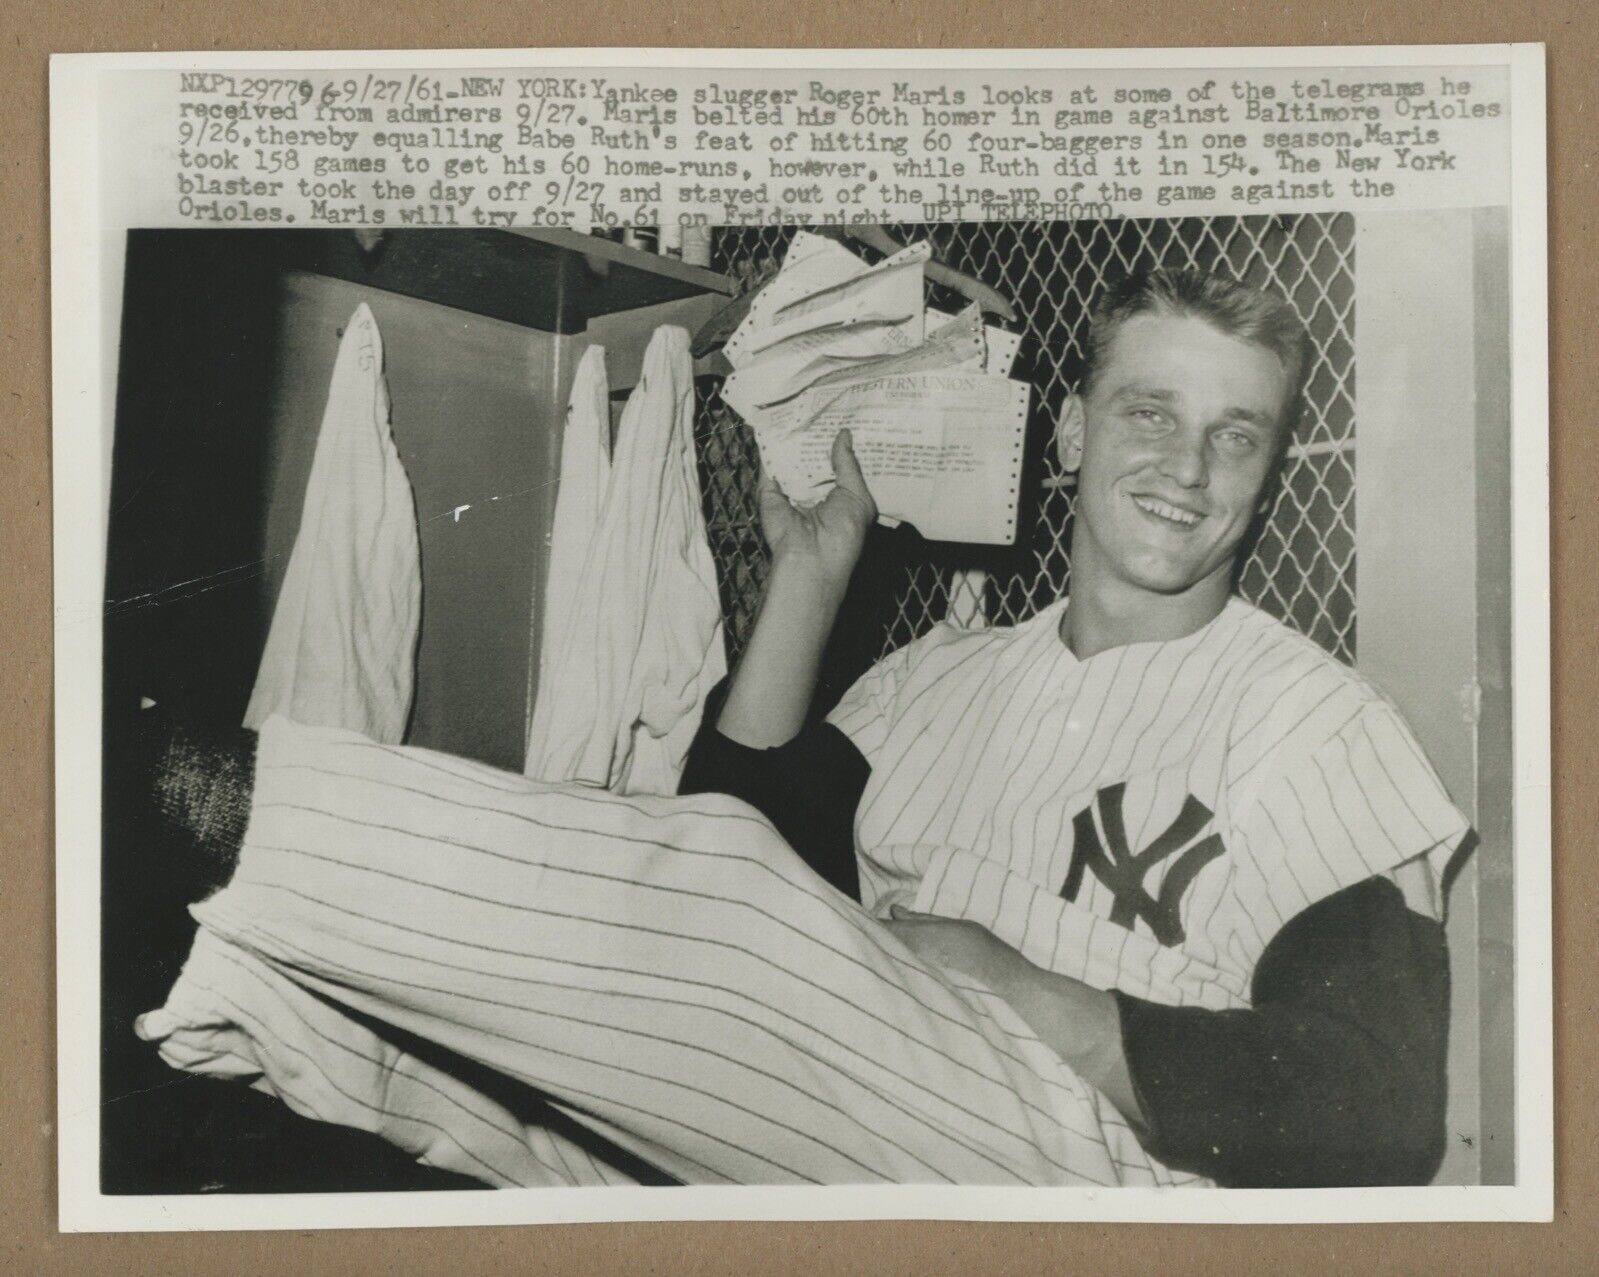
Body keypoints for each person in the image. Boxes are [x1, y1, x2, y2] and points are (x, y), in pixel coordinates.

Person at [135, 266, 1468, 1190]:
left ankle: (168, 794)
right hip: (860, 1133)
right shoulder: (943, 678)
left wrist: (1020, 989)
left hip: (1102, 1183)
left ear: (1269, 468)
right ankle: (177, 914)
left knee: (720, 902)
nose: (1189, 465)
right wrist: (817, 567)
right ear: (1066, 430)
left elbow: (1376, 1109)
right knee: (436, 1061)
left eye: (1238, 437)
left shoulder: (1314, 725)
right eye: (1150, 411)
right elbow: (714, 863)